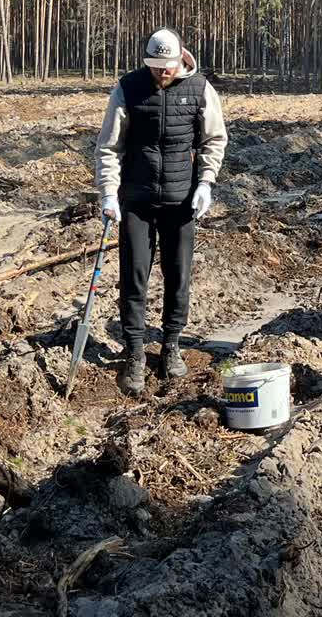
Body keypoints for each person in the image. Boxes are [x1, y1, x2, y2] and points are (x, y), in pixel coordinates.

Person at [96, 28, 228, 395]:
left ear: (180, 58)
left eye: (166, 65)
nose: (161, 72)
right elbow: (109, 146)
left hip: (180, 201)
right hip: (136, 201)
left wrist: (206, 183)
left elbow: (214, 139)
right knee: (134, 277)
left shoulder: (200, 89)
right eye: (155, 66)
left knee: (178, 274)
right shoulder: (128, 88)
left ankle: (171, 344)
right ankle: (135, 352)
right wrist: (108, 193)